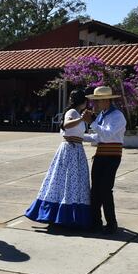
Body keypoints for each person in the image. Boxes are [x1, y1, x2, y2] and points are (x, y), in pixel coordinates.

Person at [25, 90, 90, 228]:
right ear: (83, 101)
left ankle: (70, 217)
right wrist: (81, 120)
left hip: (76, 149)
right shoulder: (72, 113)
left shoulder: (77, 113)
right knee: (66, 182)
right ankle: (61, 216)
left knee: (72, 183)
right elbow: (67, 125)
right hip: (70, 150)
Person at [81, 86, 127, 234]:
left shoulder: (117, 116)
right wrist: (79, 137)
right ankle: (96, 222)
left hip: (112, 156)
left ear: (107, 100)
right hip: (102, 154)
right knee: (95, 190)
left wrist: (93, 122)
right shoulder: (104, 115)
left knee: (106, 190)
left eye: (98, 101)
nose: (96, 104)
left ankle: (111, 223)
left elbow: (107, 135)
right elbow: (99, 137)